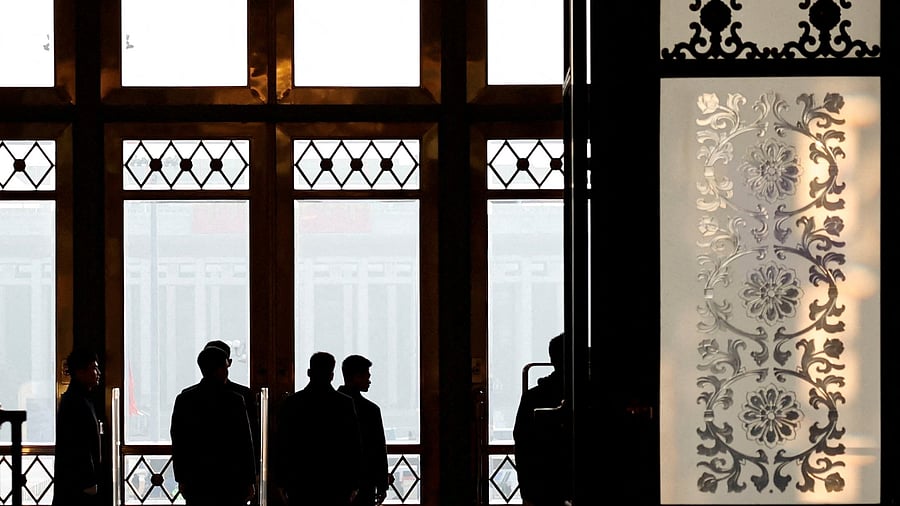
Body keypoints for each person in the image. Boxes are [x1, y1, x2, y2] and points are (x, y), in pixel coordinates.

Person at [170, 346, 256, 506]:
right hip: (231, 477)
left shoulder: (185, 399)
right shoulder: (235, 400)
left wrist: (181, 477)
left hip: (196, 477)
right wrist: (250, 479)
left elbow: (178, 440)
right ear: (220, 369)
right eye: (225, 366)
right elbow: (244, 442)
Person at [275, 351, 363, 506]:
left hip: (300, 479)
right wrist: (354, 482)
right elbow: (353, 445)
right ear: (331, 375)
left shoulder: (292, 403)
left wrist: (281, 480)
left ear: (309, 373)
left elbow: (283, 445)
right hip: (336, 480)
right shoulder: (344, 404)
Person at [513, 333, 573, 506]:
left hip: (543, 485)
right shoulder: (591, 396)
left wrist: (527, 493)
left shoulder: (533, 397)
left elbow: (523, 446)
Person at [338, 355, 394, 506]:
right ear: (356, 377)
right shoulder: (370, 410)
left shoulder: (329, 406)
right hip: (364, 482)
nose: (369, 380)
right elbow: (378, 450)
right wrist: (382, 484)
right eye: (367, 376)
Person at [52, 347, 103, 506]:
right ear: (80, 372)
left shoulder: (78, 399)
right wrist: (89, 481)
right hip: (77, 487)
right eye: (94, 368)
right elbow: (77, 447)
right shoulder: (76, 403)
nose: (98, 372)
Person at [203, 339, 260, 477]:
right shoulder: (243, 395)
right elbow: (251, 437)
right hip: (234, 472)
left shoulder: (186, 398)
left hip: (200, 472)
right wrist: (254, 473)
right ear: (228, 363)